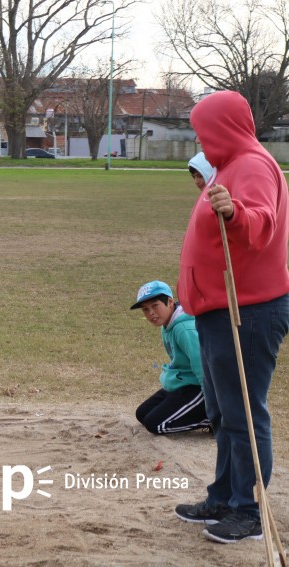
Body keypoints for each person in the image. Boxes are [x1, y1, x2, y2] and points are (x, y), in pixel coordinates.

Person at [174, 91, 289, 544]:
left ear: (223, 128)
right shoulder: (228, 166)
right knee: (222, 411)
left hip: (248, 312)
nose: (200, 139)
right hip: (218, 312)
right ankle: (224, 496)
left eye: (204, 130)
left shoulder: (253, 165)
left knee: (242, 411)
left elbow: (261, 224)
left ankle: (250, 510)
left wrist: (236, 212)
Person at [130, 281, 209, 435]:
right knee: (142, 414)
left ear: (170, 302)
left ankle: (211, 419)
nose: (151, 312)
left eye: (155, 305)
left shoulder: (184, 328)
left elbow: (204, 368)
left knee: (155, 425)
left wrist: (215, 406)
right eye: (145, 309)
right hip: (183, 383)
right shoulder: (167, 325)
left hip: (200, 387)